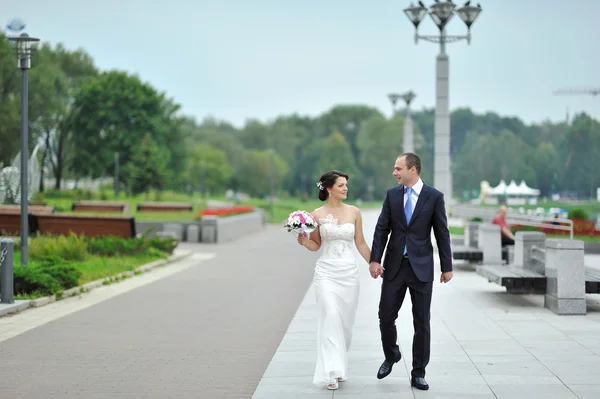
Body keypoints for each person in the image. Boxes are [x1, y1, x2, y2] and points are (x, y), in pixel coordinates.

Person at [369, 153, 453, 391]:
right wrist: (375, 260)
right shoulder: (392, 195)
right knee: (385, 315)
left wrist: (447, 267)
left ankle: (418, 372)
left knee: (422, 322)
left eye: (398, 168)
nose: (394, 173)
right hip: (394, 266)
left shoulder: (434, 197)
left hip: (421, 268)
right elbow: (381, 229)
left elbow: (442, 233)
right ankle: (392, 353)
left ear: (413, 169)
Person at [296, 170, 371, 390]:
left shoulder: (355, 212)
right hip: (326, 273)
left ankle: (338, 361)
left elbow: (361, 243)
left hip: (348, 273)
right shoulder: (317, 215)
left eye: (346, 184)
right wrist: (304, 241)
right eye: (341, 185)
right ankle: (330, 370)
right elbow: (315, 245)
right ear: (329, 189)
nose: (345, 188)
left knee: (345, 325)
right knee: (329, 316)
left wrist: (375, 264)